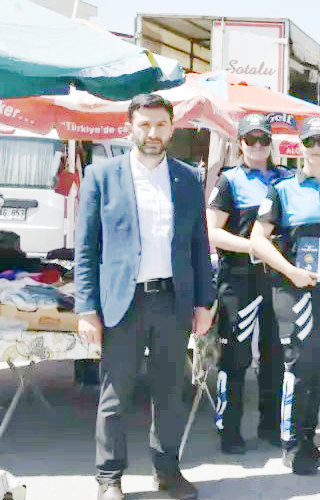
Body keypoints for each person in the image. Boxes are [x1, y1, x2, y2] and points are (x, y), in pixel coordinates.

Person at [75, 94, 215, 500]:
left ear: (172, 128)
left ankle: (168, 471)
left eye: (160, 125)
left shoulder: (188, 178)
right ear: (129, 128)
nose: (153, 133)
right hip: (123, 303)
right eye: (145, 125)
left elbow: (199, 244)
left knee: (170, 393)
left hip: (172, 301)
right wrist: (87, 309)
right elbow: (86, 249)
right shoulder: (101, 176)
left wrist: (203, 303)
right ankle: (109, 478)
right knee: (115, 395)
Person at [249, 118, 320, 475]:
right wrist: (289, 270)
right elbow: (258, 240)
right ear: (300, 145)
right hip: (291, 288)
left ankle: (308, 440)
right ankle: (292, 444)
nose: (316, 148)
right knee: (297, 365)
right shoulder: (281, 188)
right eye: (310, 142)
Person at [206, 114, 290, 454]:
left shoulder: (287, 179)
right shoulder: (229, 180)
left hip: (277, 281)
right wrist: (255, 247)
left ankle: (271, 426)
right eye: (250, 139)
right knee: (235, 358)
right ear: (240, 143)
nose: (257, 145)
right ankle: (229, 430)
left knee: (276, 356)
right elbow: (212, 232)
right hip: (239, 281)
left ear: (271, 142)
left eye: (263, 139)